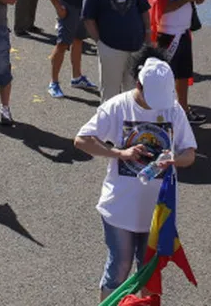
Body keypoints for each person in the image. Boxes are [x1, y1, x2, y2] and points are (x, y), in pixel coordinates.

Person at [73, 56, 198, 300]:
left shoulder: (173, 108)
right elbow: (82, 140)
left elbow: (190, 154)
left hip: (157, 211)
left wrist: (174, 159)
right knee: (119, 268)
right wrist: (119, 153)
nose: (155, 107)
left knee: (149, 274)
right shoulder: (118, 106)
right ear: (138, 85)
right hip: (120, 208)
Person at [147, 0, 206, 124]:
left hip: (182, 31)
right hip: (169, 33)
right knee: (164, 77)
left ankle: (183, 110)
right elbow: (160, 7)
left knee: (182, 75)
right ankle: (160, 114)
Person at [83, 0, 152, 100]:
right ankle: (109, 124)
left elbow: (143, 9)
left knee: (133, 91)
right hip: (111, 47)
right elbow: (88, 18)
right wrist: (100, 43)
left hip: (136, 45)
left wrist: (148, 35)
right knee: (110, 92)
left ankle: (130, 123)